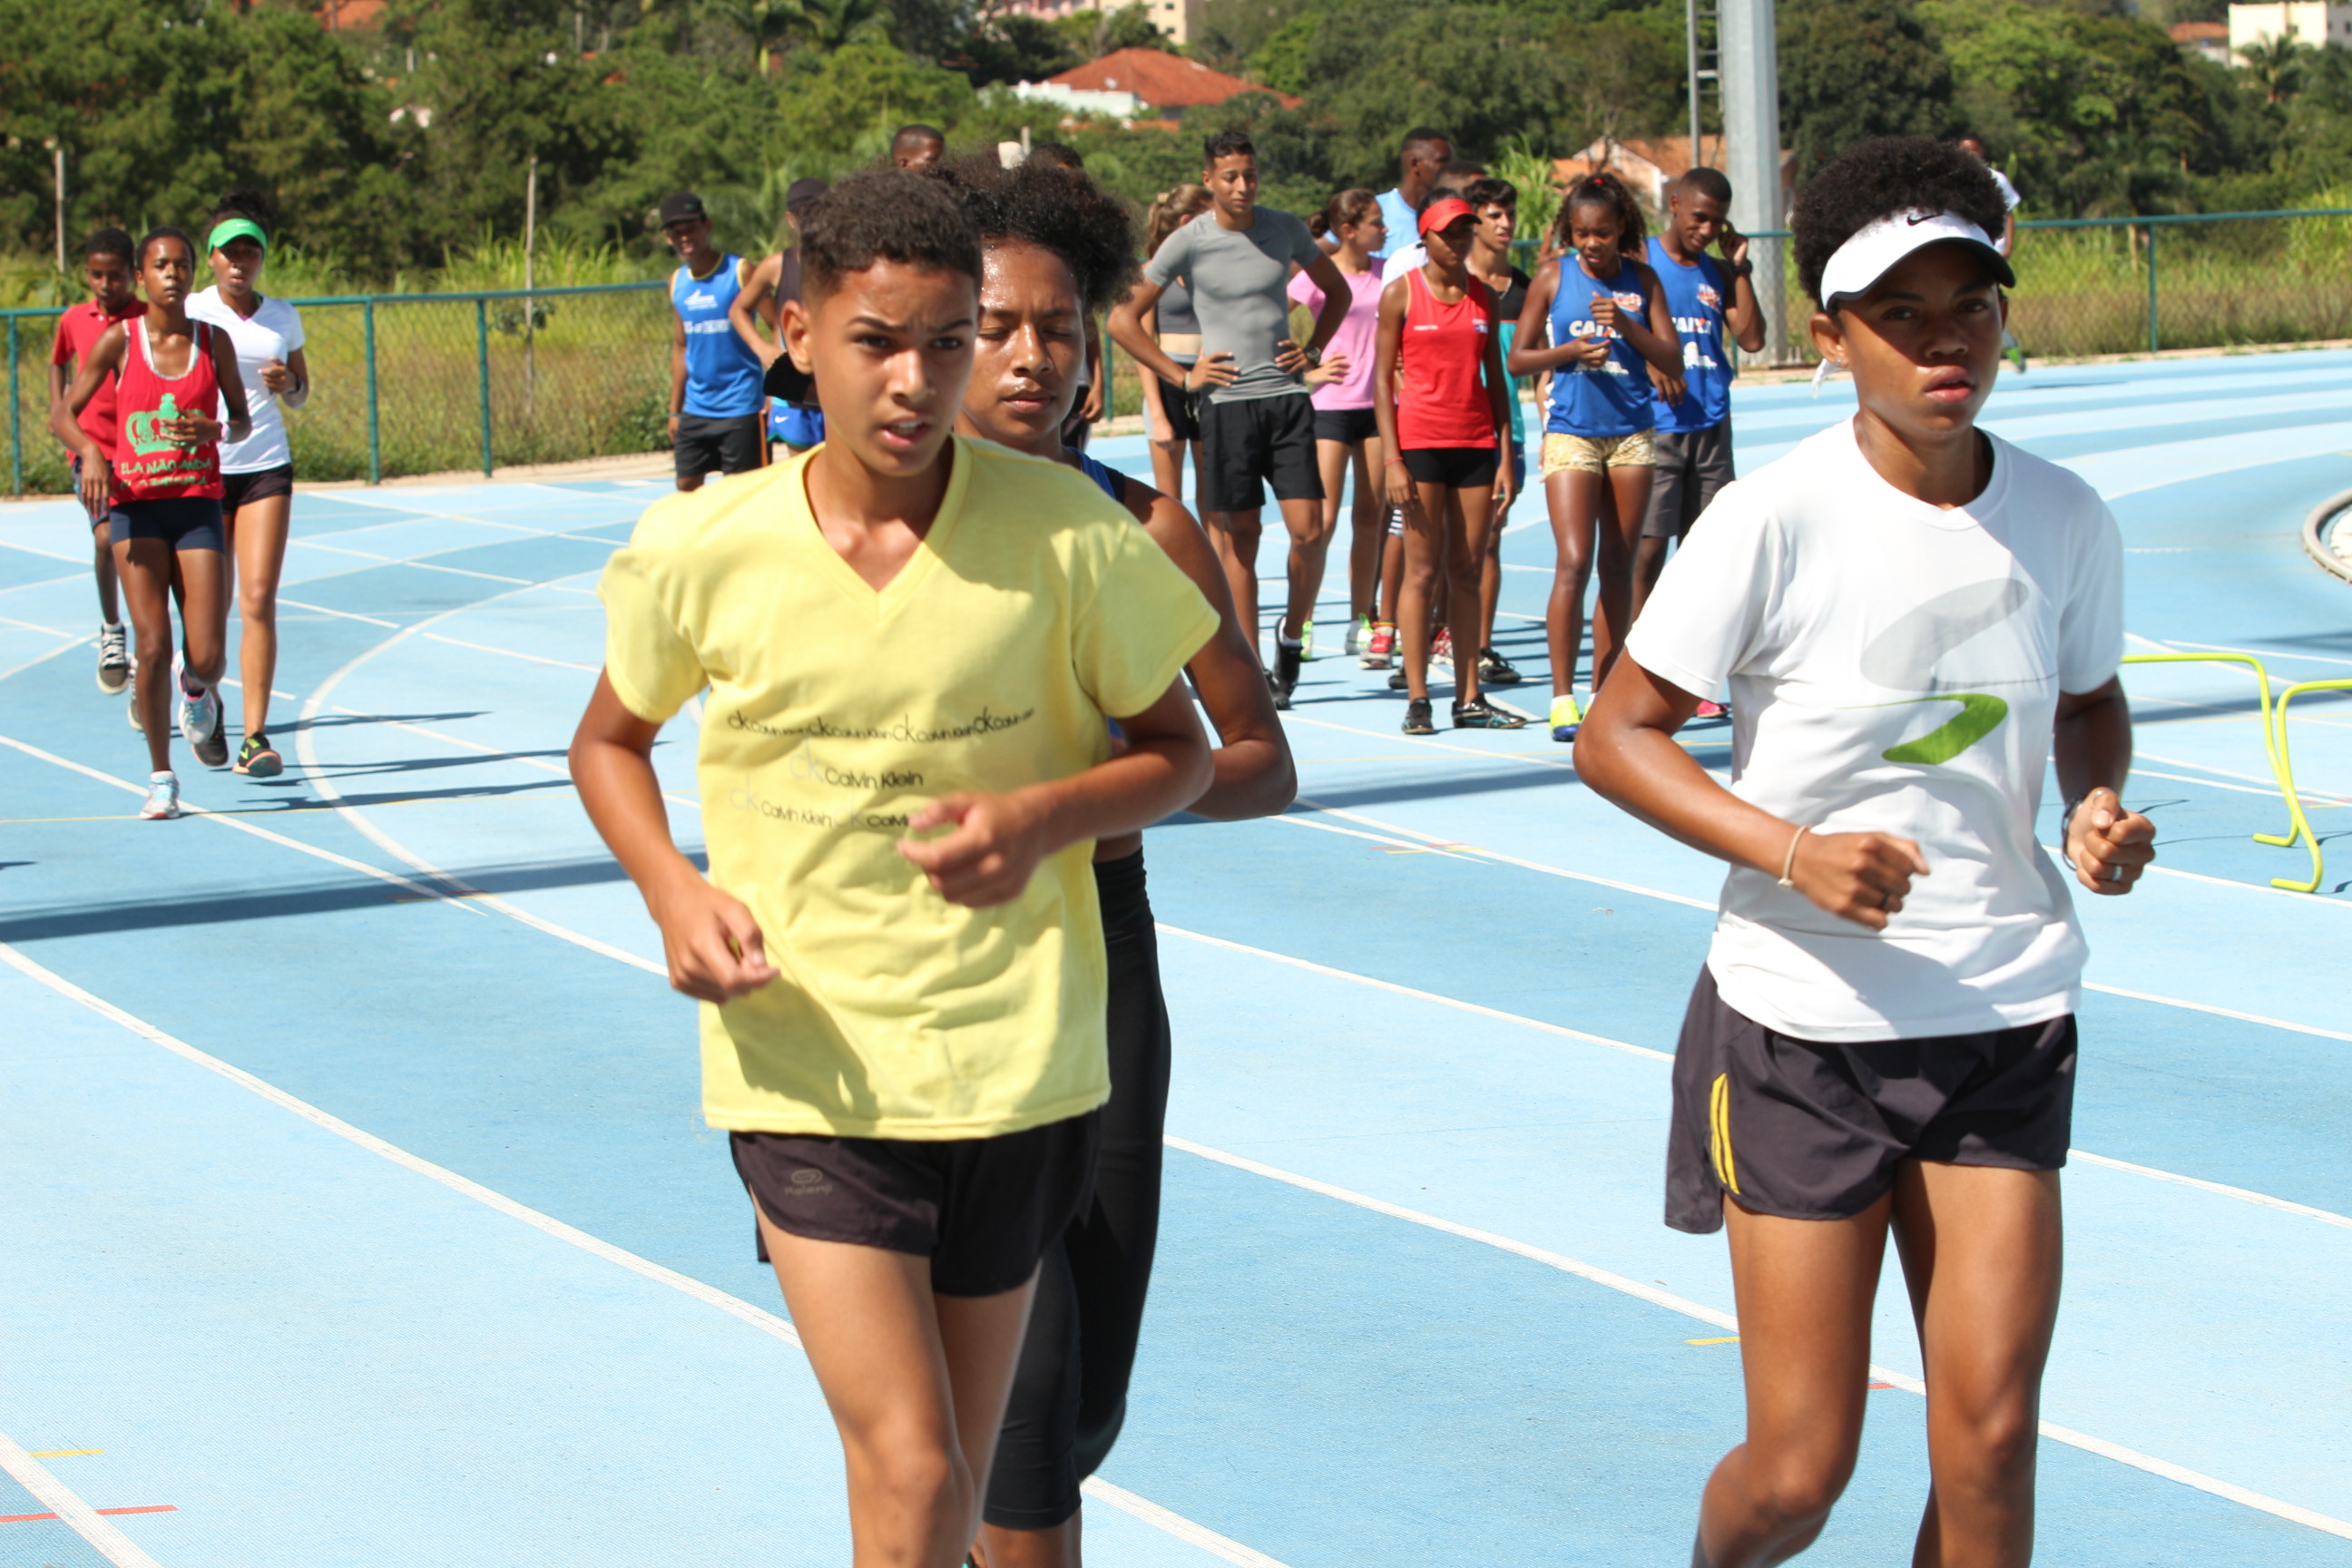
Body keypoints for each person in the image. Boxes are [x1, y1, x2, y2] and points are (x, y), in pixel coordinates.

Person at [569, 170, 1219, 1568]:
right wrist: (674, 892)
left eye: (945, 341)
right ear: (798, 333)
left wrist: (1044, 817)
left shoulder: (1067, 534)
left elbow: (1186, 752)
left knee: (962, 1492)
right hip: (810, 1064)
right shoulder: (706, 546)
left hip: (1017, 1063)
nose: (916, 379)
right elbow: (608, 743)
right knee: (915, 1471)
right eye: (877, 342)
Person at [1573, 134, 2155, 1568]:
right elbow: (1616, 736)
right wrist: (1794, 853)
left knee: (1992, 1444)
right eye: (1902, 315)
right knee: (1797, 1475)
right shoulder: (1772, 521)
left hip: (2001, 1011)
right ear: (1831, 338)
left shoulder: (2065, 517)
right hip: (1803, 1028)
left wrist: (2092, 804)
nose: (1947, 342)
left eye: (1972, 306)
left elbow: (2089, 701)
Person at [936, 151, 1296, 1568]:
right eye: (995, 328)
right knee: (1023, 1419)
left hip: (1104, 957)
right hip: (944, 985)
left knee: (1081, 1404)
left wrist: (1101, 802)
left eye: (1059, 329)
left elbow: (1259, 758)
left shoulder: (1144, 527)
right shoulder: (875, 534)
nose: (1032, 358)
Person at [1107, 131, 1355, 709]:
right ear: (1210, 179)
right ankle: (1251, 667)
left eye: (1250, 174)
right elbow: (1122, 320)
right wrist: (1181, 376)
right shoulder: (1188, 240)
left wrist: (1312, 350)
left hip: (1287, 399)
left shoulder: (1284, 228)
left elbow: (1336, 293)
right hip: (1226, 406)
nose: (1243, 186)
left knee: (1309, 531)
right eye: (1230, 177)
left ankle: (1291, 634)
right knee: (1241, 538)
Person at [51, 227, 252, 819]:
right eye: (161, 265)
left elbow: (242, 421)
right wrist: (91, 452)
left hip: (195, 502)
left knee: (209, 657)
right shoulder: (120, 340)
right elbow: (63, 415)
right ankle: (162, 777)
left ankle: (197, 691)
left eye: (182, 264)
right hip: (135, 505)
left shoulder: (212, 342)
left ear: (193, 274)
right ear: (142, 277)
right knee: (153, 643)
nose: (172, 273)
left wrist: (215, 430)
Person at [1509, 172, 1682, 743]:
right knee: (1574, 559)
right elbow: (1518, 359)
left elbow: (1672, 360)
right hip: (1572, 432)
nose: (1591, 244)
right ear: (1570, 232)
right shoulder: (1552, 277)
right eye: (1581, 233)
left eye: (1602, 233)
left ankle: (1605, 689)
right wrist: (1569, 351)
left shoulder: (1644, 280)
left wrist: (1627, 326)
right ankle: (1562, 697)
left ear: (1620, 228)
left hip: (1631, 434)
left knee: (1619, 564)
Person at [1373, 196, 1521, 735]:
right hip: (1420, 446)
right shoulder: (1401, 293)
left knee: (1466, 571)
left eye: (1464, 232)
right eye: (1447, 233)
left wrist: (1505, 456)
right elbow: (1380, 382)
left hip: (1476, 445)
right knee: (1422, 571)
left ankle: (1469, 697)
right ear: (1425, 238)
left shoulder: (1484, 297)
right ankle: (1418, 698)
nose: (1457, 241)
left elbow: (1496, 380)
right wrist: (1393, 459)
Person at [1633, 165, 1765, 729]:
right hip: (1659, 424)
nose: (1706, 230)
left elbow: (1751, 338)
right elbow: (1618, 325)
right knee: (1646, 552)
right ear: (1674, 204)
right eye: (1698, 218)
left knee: (1705, 554)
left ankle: (1692, 678)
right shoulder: (1641, 260)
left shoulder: (1718, 270)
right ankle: (1635, 668)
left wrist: (1740, 270)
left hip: (1711, 422)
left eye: (1716, 222)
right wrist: (1650, 362)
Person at [188, 190, 311, 778]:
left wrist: (289, 384)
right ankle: (202, 697)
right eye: (229, 252)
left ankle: (254, 738)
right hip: (204, 470)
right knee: (207, 610)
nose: (240, 262)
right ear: (211, 257)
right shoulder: (191, 309)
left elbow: (301, 395)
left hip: (265, 466)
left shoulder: (282, 315)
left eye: (250, 253)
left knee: (258, 599)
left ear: (261, 257)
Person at [1287, 190, 1387, 661]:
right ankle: (1302, 620)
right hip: (1330, 406)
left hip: (1378, 408)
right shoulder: (1318, 276)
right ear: (1348, 230)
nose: (1384, 230)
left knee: (1370, 517)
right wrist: (1307, 367)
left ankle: (1359, 620)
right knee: (1321, 521)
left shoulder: (1390, 273)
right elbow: (1272, 315)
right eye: (1375, 222)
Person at [47, 226, 142, 700]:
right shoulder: (73, 319)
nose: (106, 285)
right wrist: (60, 411)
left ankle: (151, 653)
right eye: (97, 275)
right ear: (87, 274)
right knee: (106, 537)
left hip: (141, 452)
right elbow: (58, 361)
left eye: (116, 275)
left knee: (145, 548)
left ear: (134, 275)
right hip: (92, 451)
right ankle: (112, 629)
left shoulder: (146, 319)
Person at [1464, 174, 1531, 691]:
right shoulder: (1452, 284)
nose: (1505, 224)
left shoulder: (1526, 290)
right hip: (1453, 430)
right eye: (1494, 215)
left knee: (1489, 540)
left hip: (1509, 433)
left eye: (1509, 214)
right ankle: (1436, 634)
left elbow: (1540, 367)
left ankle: (1479, 646)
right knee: (1445, 547)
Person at [661, 191, 771, 492]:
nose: (685, 237)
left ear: (707, 226)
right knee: (686, 484)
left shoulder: (740, 271)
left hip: (741, 405)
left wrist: (776, 391)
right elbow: (681, 346)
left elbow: (778, 326)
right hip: (697, 407)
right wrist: (675, 410)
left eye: (691, 228)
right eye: (676, 232)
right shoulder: (677, 282)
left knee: (741, 492)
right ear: (669, 238)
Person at [730, 176, 830, 456]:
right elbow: (738, 309)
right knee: (801, 471)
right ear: (791, 219)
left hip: (836, 383)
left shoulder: (850, 260)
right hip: (796, 388)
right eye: (804, 213)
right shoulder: (777, 265)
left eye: (820, 211)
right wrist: (764, 350)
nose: (812, 220)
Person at [1136, 186, 1212, 510]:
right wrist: (1158, 415)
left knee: (1214, 500)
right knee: (1170, 501)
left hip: (1209, 380)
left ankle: (1213, 549)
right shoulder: (1151, 273)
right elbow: (1142, 345)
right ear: (1187, 221)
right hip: (1167, 383)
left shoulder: (1211, 270)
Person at [1957, 134, 2025, 373]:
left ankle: (2003, 346)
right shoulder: (1954, 180)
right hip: (1965, 249)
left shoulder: (1996, 180)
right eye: (1964, 150)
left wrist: (2008, 246)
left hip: (1991, 250)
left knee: (1988, 299)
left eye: (1973, 150)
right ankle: (2002, 343)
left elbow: (2008, 213)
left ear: (1982, 152)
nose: (1969, 155)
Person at [1375, 128, 1453, 262]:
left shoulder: (1454, 216)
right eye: (1443, 161)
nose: (1451, 169)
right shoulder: (1374, 210)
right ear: (1415, 164)